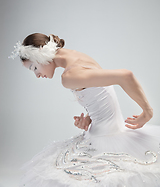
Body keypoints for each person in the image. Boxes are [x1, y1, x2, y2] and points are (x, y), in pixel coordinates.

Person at [10, 33, 160, 187]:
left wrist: (147, 112)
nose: (37, 74)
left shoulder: (68, 76)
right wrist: (91, 117)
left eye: (34, 67)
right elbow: (102, 92)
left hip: (106, 139)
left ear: (42, 55)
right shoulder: (78, 57)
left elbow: (125, 76)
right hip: (103, 132)